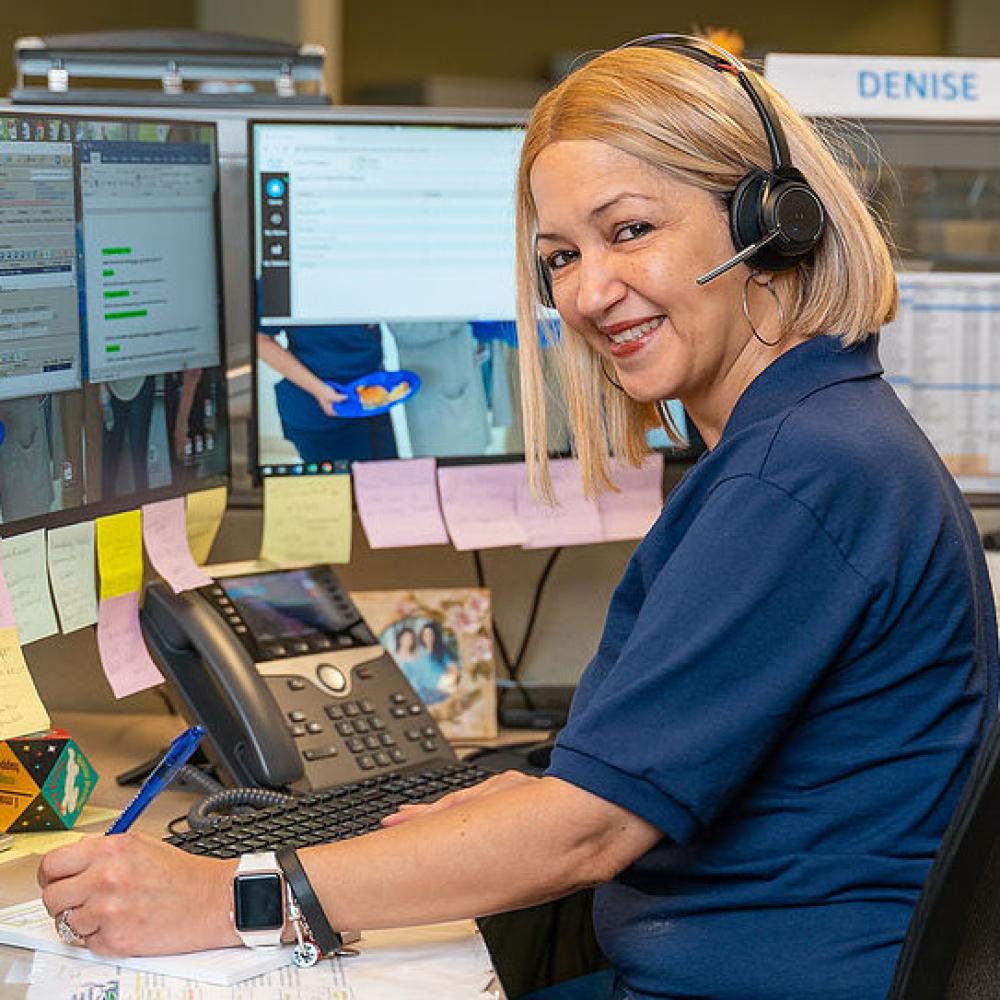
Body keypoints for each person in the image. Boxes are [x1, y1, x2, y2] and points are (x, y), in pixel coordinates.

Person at [38, 35, 998, 1000]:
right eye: (559, 256)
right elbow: (624, 791)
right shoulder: (813, 434)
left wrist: (223, 896)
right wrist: (535, 800)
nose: (587, 293)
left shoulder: (798, 476)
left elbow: (590, 831)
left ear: (769, 223)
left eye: (629, 232)